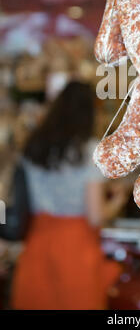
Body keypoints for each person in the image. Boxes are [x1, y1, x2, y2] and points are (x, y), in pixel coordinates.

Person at [11, 81, 127, 310]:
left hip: (37, 244)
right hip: (76, 251)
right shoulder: (89, 151)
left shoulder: (34, 145)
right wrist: (117, 201)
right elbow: (95, 216)